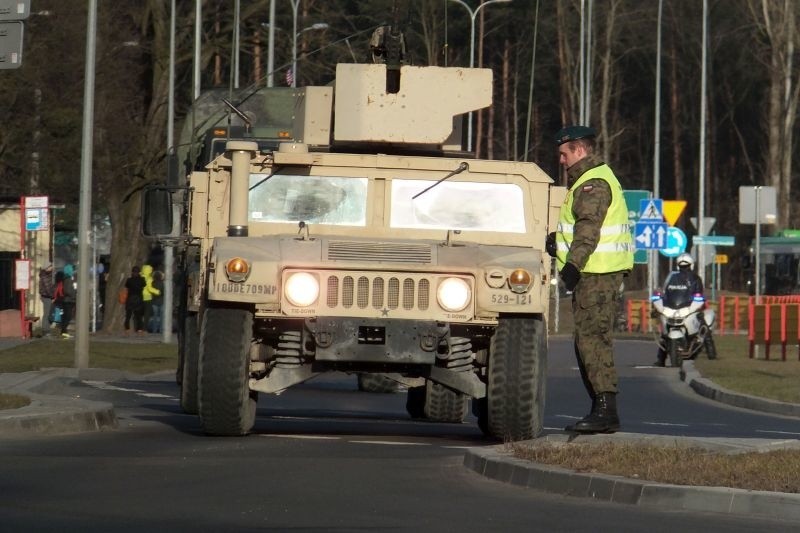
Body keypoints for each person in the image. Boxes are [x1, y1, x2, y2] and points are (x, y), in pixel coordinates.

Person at [550, 125, 634, 434]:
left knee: (593, 341)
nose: (561, 160)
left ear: (580, 150)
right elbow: (578, 229)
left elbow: (588, 229)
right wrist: (556, 242)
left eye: (564, 153)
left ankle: (605, 410)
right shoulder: (590, 180)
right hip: (597, 272)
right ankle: (601, 408)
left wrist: (572, 266)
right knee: (587, 340)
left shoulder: (592, 183)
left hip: (597, 273)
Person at [654, 252, 708, 366]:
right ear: (691, 265)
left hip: (688, 308)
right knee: (664, 334)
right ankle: (660, 358)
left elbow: (699, 294)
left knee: (703, 325)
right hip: (675, 308)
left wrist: (697, 302)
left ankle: (709, 351)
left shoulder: (693, 278)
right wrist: (661, 300)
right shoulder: (673, 278)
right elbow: (665, 291)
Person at [55, 265, 77, 339]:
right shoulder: (68, 279)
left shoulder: (67, 278)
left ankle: (64, 331)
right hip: (68, 300)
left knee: (67, 316)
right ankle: (64, 331)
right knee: (68, 316)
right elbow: (67, 290)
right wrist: (74, 295)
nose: (73, 271)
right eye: (72, 270)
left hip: (68, 300)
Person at [124, 266, 146, 335]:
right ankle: (139, 329)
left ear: (132, 272)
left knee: (128, 315)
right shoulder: (142, 279)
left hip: (130, 298)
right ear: (139, 272)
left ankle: (127, 329)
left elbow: (126, 286)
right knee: (138, 316)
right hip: (138, 299)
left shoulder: (129, 280)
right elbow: (144, 285)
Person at [141, 264, 161, 335]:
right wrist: (157, 291)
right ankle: (144, 329)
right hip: (148, 297)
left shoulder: (141, 276)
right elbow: (149, 288)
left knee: (139, 313)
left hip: (140, 297)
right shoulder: (149, 279)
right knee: (147, 314)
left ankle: (138, 328)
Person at [38, 263, 55, 336]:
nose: (52, 267)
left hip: (47, 296)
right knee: (47, 314)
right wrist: (53, 296)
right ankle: (46, 330)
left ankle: (46, 330)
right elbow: (48, 288)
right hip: (46, 296)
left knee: (47, 313)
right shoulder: (45, 276)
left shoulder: (47, 275)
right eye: (50, 266)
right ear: (46, 268)